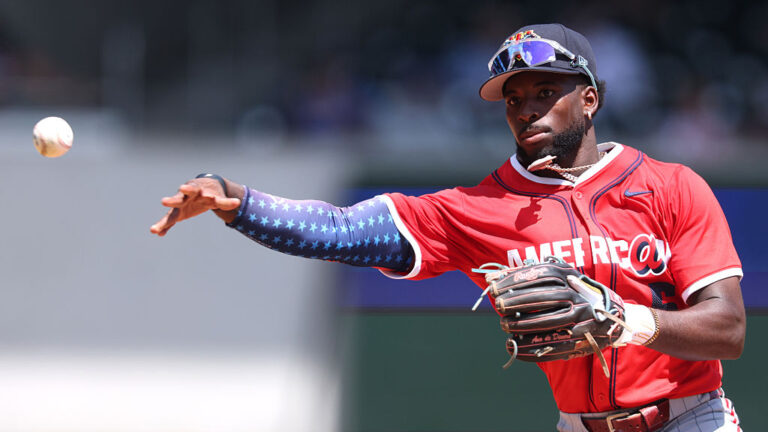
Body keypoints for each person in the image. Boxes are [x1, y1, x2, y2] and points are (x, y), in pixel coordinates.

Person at [150, 23, 745, 432]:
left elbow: (728, 330)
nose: (527, 108)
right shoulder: (476, 206)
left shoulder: (670, 185)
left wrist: (622, 320)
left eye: (546, 91)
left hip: (692, 416)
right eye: (513, 99)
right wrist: (235, 200)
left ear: (588, 100)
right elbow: (341, 230)